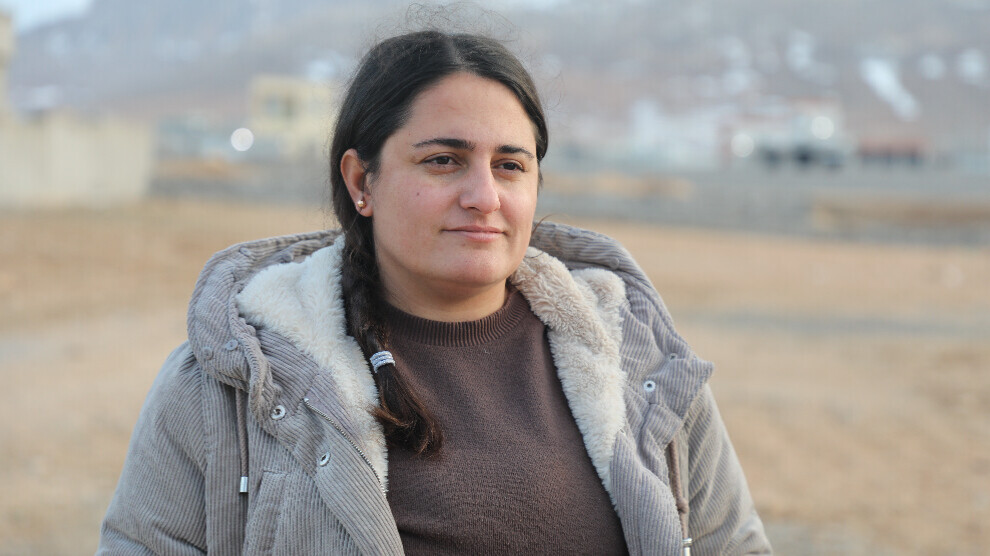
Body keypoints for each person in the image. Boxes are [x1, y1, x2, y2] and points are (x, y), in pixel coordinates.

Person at [98, 29, 771, 555]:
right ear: (361, 182)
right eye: (443, 161)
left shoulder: (640, 364)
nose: (484, 196)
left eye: (510, 165)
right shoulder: (232, 382)